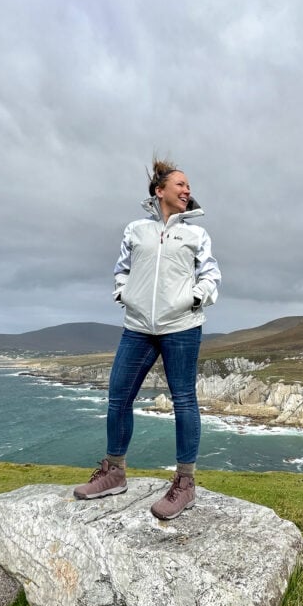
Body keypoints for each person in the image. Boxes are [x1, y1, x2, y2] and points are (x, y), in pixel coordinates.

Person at [74, 159, 221, 519]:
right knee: (118, 395)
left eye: (189, 186)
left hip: (182, 326)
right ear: (160, 191)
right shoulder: (136, 229)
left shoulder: (196, 234)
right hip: (138, 325)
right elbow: (121, 268)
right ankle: (114, 472)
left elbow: (211, 273)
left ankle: (185, 484)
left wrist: (196, 297)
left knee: (184, 401)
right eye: (180, 185)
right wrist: (124, 293)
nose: (187, 190)